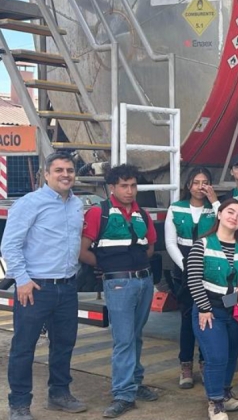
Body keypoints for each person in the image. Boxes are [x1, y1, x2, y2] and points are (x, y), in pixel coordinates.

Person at [2, 152, 87, 420]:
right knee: (24, 347)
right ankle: (19, 404)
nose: (66, 175)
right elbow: (10, 245)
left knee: (64, 344)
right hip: (35, 288)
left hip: (67, 286)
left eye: (70, 170)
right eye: (59, 170)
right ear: (46, 174)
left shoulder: (77, 205)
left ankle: (59, 394)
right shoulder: (30, 203)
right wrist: (22, 280)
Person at [79, 164, 159, 418]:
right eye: (124, 185)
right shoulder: (98, 213)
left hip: (144, 281)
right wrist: (109, 267)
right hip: (119, 283)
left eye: (133, 185)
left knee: (135, 335)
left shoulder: (142, 214)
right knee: (124, 339)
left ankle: (135, 382)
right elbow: (81, 251)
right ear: (112, 187)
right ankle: (123, 393)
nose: (129, 191)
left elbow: (149, 247)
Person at [186, 199, 238, 420]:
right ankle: (215, 402)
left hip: (235, 311)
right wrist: (205, 309)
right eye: (230, 212)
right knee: (216, 356)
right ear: (220, 214)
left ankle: (224, 393)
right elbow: (194, 279)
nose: (234, 217)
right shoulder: (203, 244)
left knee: (231, 354)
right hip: (210, 311)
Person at [164, 166, 220, 389]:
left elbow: (229, 224)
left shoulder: (214, 208)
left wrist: (215, 201)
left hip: (211, 266)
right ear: (188, 186)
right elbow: (170, 242)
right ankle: (185, 364)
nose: (200, 187)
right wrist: (187, 266)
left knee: (209, 318)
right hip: (184, 266)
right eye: (196, 182)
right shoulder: (176, 208)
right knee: (188, 318)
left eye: (205, 182)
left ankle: (205, 362)